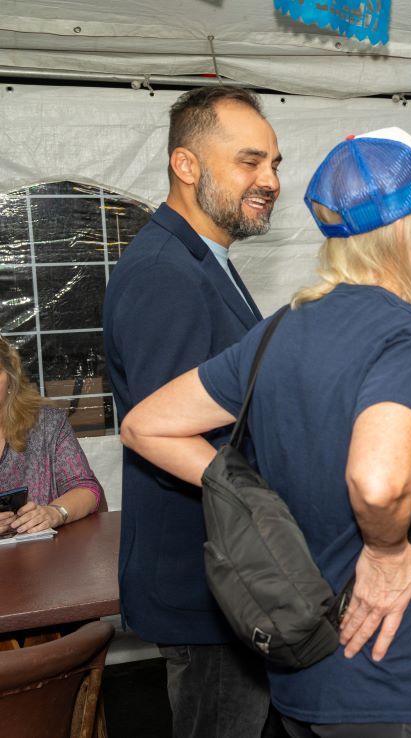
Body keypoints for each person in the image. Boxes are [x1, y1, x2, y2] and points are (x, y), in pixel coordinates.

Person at [120, 127, 411, 736]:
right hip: (384, 668)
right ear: (404, 225)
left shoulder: (275, 333)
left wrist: (244, 491)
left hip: (300, 662)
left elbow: (145, 426)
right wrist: (386, 551)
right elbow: (376, 482)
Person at [102, 85, 280, 737]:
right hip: (207, 581)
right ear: (186, 165)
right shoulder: (166, 273)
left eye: (275, 164)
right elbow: (163, 430)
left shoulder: (206, 259)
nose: (270, 181)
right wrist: (271, 511)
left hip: (223, 575)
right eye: (250, 161)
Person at [0, 336, 103, 534]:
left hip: (44, 556)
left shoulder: (47, 423)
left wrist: (54, 513)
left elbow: (86, 489)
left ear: (11, 377)